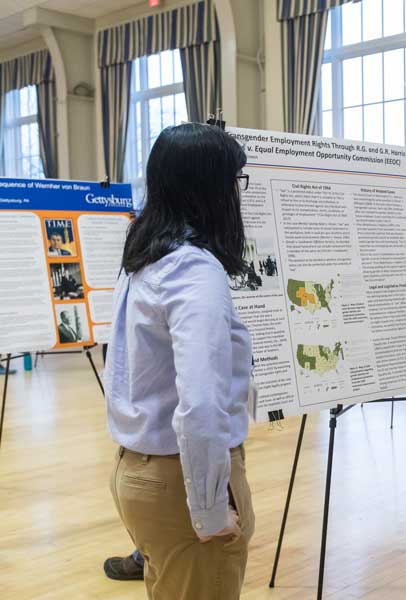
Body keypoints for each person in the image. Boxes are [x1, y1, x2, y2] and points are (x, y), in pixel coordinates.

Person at [105, 123, 255, 599]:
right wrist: (210, 510)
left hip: (138, 470)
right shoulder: (193, 269)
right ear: (210, 187)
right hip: (182, 482)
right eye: (234, 181)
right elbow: (202, 405)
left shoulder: (146, 254)